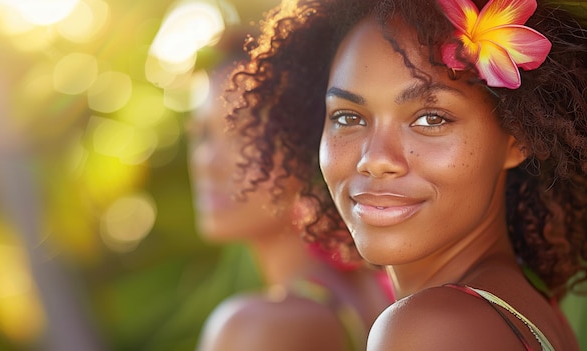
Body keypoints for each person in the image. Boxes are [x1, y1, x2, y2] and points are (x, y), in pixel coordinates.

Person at [224, 0, 587, 349]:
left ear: (517, 138)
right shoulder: (520, 305)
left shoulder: (433, 328)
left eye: (431, 118)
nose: (375, 159)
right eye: (348, 117)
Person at [187, 28, 394, 351]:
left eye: (243, 133)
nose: (205, 161)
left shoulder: (255, 327)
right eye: (202, 134)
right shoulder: (376, 289)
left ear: (307, 145)